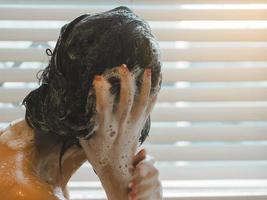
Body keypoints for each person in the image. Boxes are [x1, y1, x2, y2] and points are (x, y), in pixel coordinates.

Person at [0, 6, 162, 200]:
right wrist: (117, 184)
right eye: (140, 108)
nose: (139, 125)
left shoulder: (34, 152)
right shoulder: (23, 191)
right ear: (104, 105)